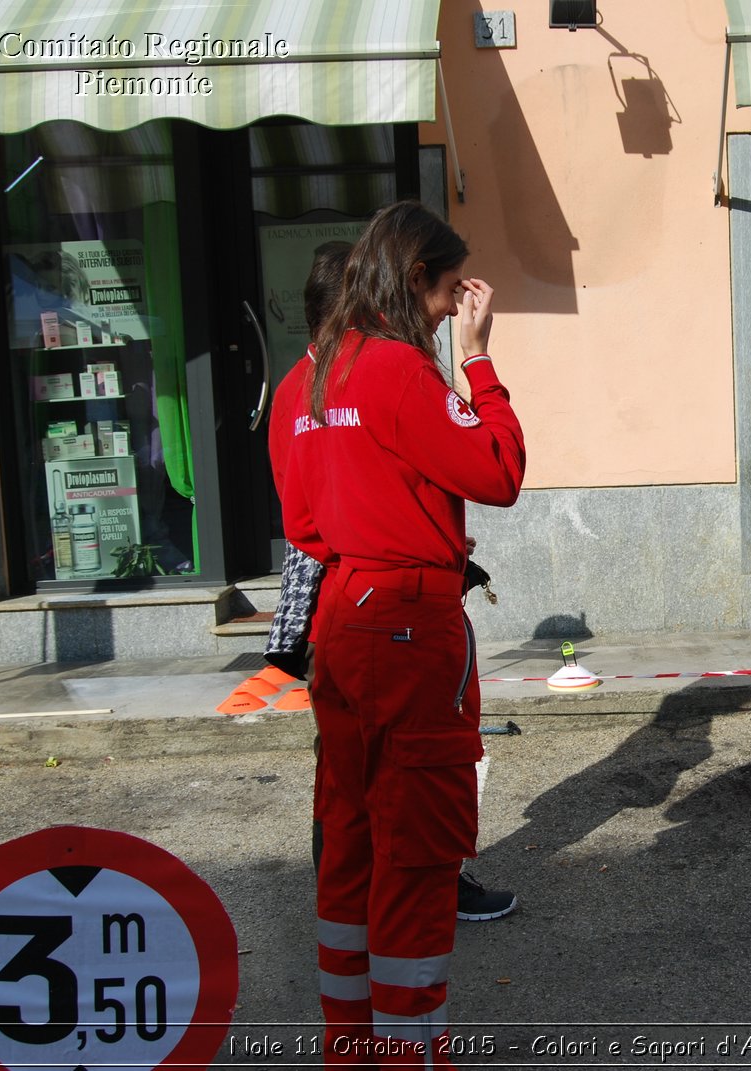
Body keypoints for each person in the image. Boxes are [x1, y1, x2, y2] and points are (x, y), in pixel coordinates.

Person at [269, 201, 526, 1066]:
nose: (458, 307)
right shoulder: (393, 369)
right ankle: (410, 1051)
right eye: (452, 290)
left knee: (350, 835)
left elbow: (304, 525)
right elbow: (497, 470)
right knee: (417, 845)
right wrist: (479, 364)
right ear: (415, 278)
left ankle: (351, 1042)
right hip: (408, 621)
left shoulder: (305, 375)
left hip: (342, 613)